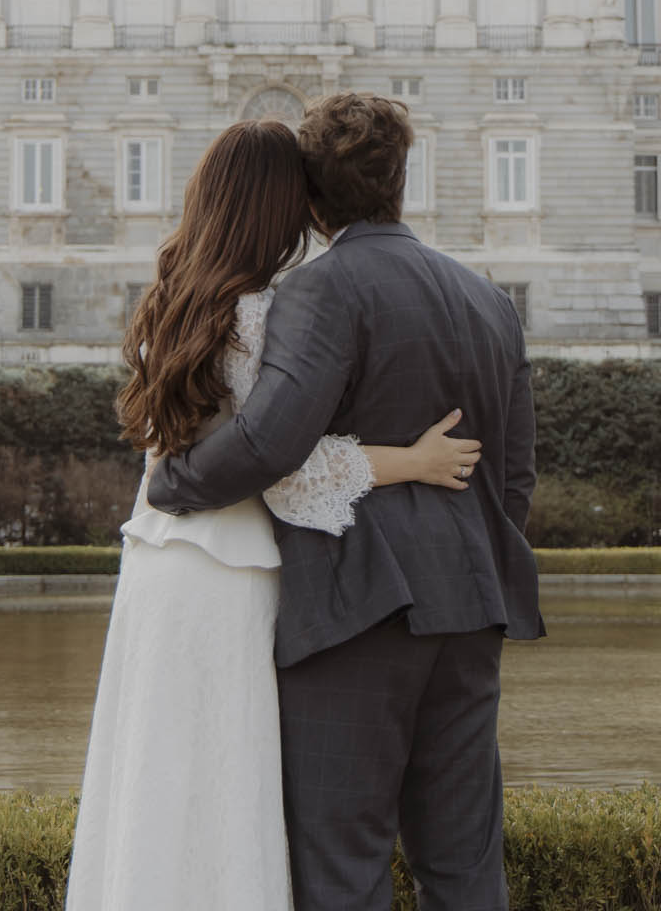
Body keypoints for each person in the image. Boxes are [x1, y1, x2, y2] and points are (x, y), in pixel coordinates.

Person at [66, 118, 484, 911]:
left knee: (152, 786)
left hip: (155, 572)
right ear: (280, 206)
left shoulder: (171, 300)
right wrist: (413, 461)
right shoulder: (265, 312)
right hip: (232, 575)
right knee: (229, 789)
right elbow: (279, 467)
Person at [149, 92, 543, 911]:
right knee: (466, 867)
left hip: (359, 613)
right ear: (402, 179)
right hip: (472, 610)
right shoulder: (491, 301)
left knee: (343, 871)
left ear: (315, 201)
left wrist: (173, 482)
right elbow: (513, 480)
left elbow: (269, 442)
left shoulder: (321, 292)